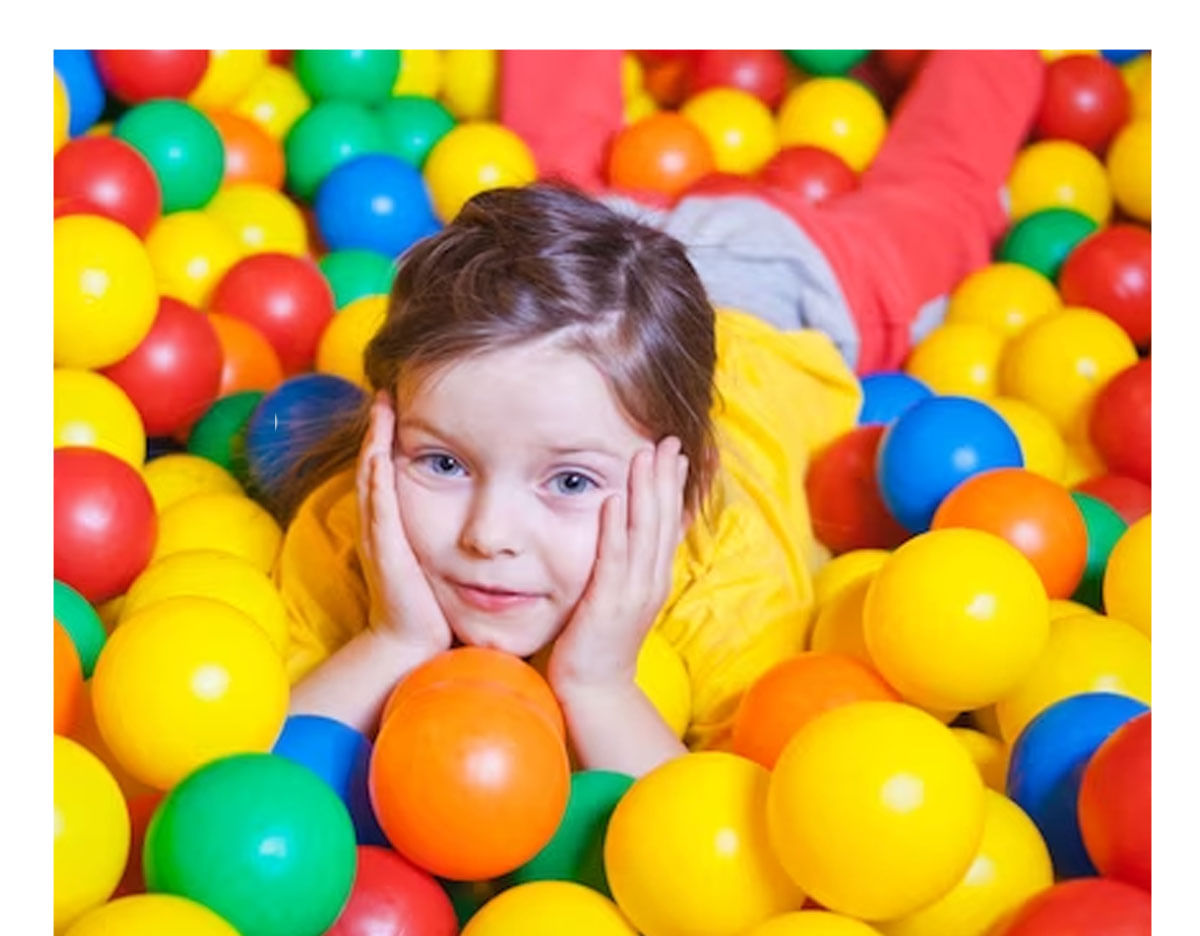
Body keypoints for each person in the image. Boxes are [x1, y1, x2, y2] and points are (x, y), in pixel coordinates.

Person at [275, 50, 1045, 778]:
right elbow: (253, 773)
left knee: (948, 193)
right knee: (556, 159)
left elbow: (712, 836)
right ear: (385, 429)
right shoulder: (355, 521)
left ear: (681, 486)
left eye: (571, 482)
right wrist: (393, 637)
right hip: (588, 261)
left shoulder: (727, 564)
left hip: (790, 273)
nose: (489, 536)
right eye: (443, 463)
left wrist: (598, 685)